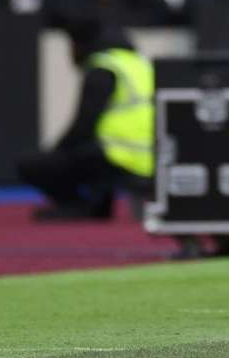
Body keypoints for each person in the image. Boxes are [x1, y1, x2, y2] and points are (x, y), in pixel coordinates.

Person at [15, 18, 154, 220]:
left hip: (119, 158)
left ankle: (80, 207)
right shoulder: (141, 65)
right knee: (94, 151)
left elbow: (84, 125)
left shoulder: (104, 68)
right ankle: (97, 203)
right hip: (152, 159)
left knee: (33, 164)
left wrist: (56, 154)